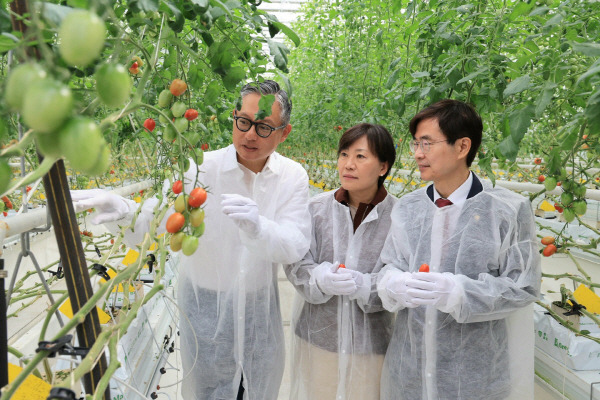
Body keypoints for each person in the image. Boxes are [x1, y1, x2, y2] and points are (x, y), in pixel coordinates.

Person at [72, 80, 311, 400]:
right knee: (207, 390)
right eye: (243, 122)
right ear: (234, 117)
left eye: (264, 127)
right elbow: (155, 222)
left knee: (257, 389)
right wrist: (124, 211)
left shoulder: (292, 176)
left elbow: (295, 242)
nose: (250, 134)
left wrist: (260, 228)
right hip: (205, 314)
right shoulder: (199, 169)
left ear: (284, 132)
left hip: (259, 318)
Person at [376, 99, 541, 400]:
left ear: (462, 146)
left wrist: (458, 292)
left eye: (427, 143)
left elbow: (523, 286)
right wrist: (393, 283)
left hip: (475, 377)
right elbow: (389, 265)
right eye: (415, 144)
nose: (417, 153)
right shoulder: (408, 208)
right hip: (410, 370)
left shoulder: (508, 210)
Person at [284, 123, 397, 400]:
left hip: (372, 343)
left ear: (383, 167)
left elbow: (399, 274)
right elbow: (297, 263)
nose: (348, 164)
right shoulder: (316, 210)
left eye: (360, 156)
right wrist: (319, 278)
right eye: (344, 154)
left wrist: (366, 286)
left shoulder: (399, 216)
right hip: (319, 338)